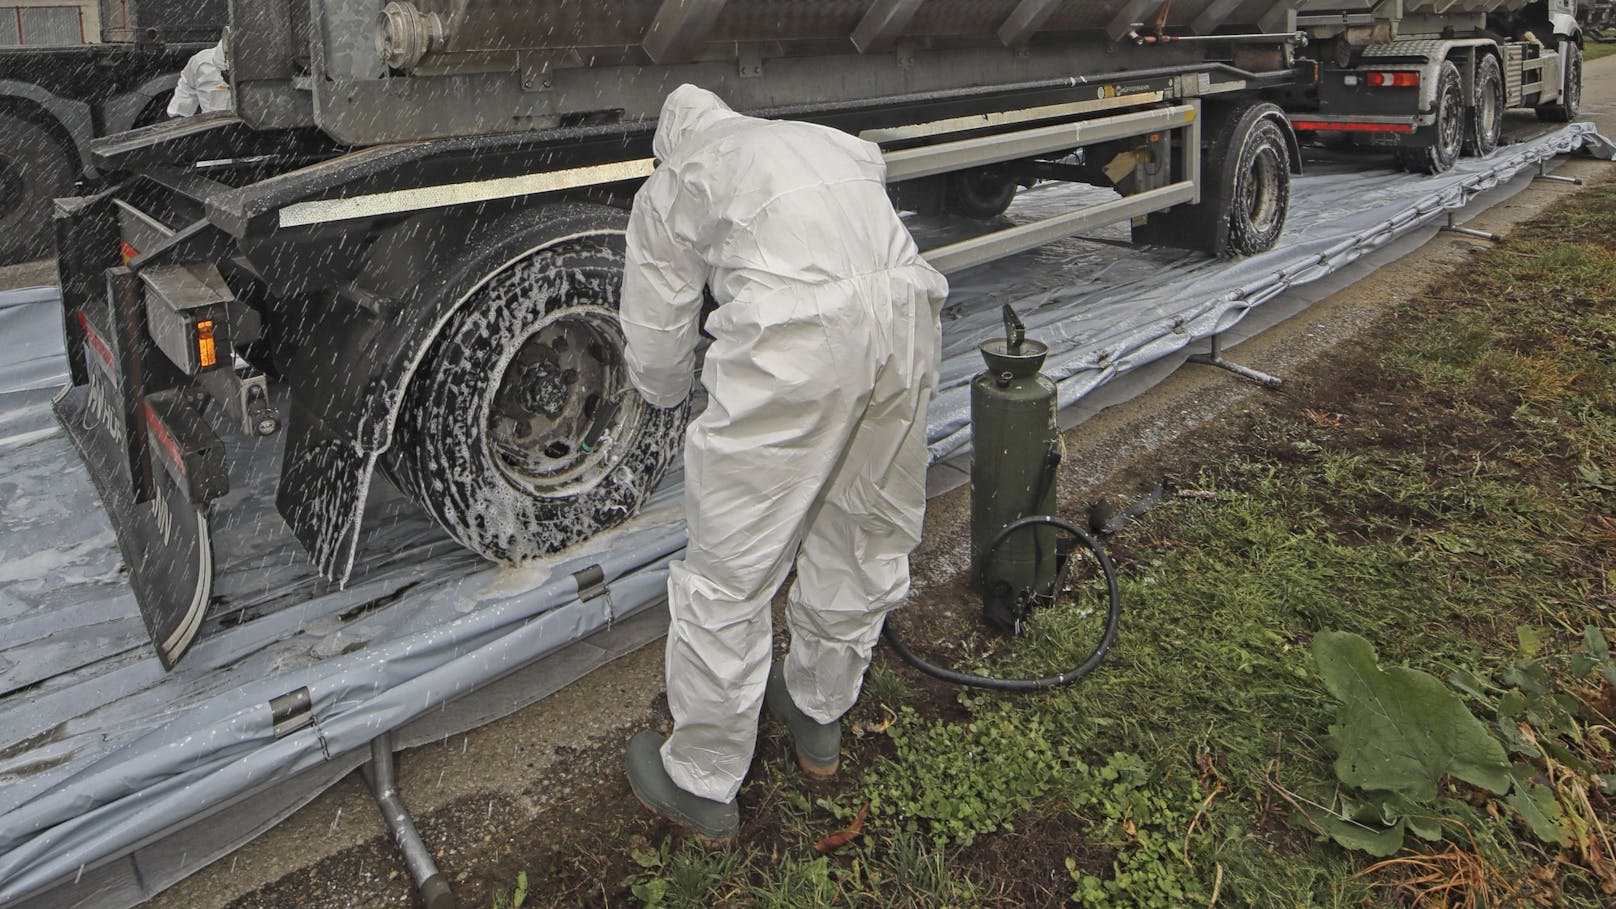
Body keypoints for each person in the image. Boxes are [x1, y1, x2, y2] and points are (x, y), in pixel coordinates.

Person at [619, 84, 948, 844]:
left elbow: (658, 331)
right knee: (864, 528)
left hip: (797, 342)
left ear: (671, 139)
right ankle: (817, 711)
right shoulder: (820, 137)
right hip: (906, 318)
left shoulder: (679, 177)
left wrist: (664, 393)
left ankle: (700, 781)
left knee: (731, 571)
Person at [167, 38, 231, 118]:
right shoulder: (201, 62)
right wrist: (179, 115)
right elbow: (186, 90)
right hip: (211, 126)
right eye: (226, 75)